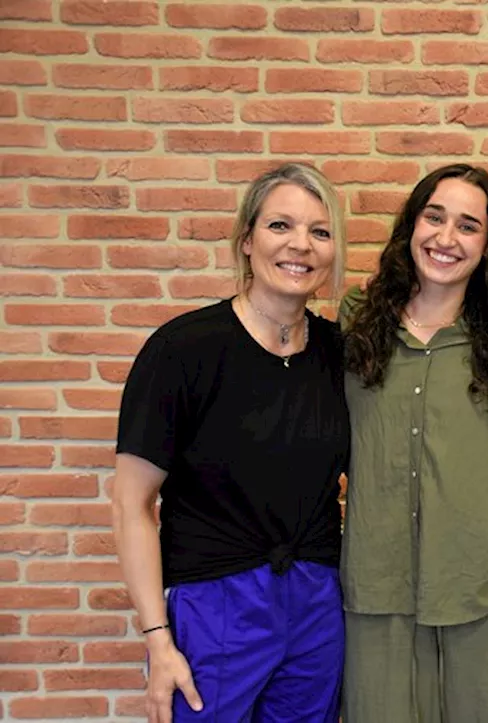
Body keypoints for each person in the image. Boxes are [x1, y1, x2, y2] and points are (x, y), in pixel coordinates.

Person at [113, 163, 349, 723]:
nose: (301, 245)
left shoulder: (342, 354)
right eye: (280, 226)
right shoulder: (184, 350)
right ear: (246, 240)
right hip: (215, 603)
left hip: (317, 601)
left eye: (320, 231)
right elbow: (131, 504)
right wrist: (158, 640)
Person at [339, 164, 488, 722]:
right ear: (411, 225)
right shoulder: (356, 323)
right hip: (377, 590)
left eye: (468, 226)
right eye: (434, 217)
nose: (446, 238)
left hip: (481, 587)